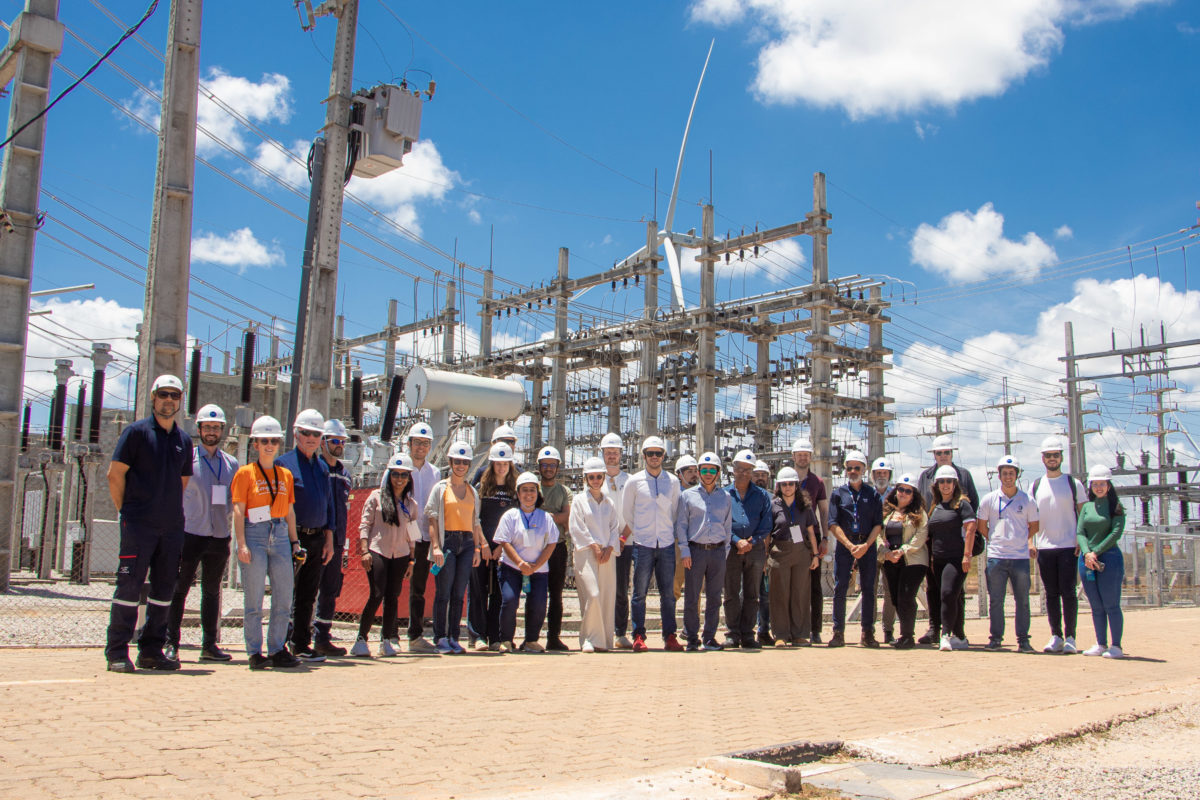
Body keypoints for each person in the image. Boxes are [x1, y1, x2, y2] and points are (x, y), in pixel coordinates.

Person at [104, 375, 194, 673]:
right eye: (164, 394)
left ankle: (152, 651)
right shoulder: (136, 433)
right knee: (129, 587)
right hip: (139, 525)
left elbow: (181, 483)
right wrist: (128, 513)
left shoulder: (183, 441)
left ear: (180, 400)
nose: (169, 400)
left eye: (175, 395)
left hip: (170, 528)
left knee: (164, 590)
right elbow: (115, 475)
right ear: (153, 397)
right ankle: (117, 651)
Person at [167, 402, 237, 663]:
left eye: (216, 427)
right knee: (180, 588)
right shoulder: (188, 460)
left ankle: (209, 645)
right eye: (207, 427)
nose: (211, 431)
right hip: (190, 533)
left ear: (222, 430)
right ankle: (170, 642)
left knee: (211, 591)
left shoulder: (231, 464)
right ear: (199, 428)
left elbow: (236, 499)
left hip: (219, 535)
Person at [231, 416, 300, 670]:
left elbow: (290, 511)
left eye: (273, 440)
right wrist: (241, 543)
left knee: (283, 597)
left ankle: (277, 648)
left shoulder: (285, 475)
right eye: (264, 441)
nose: (269, 445)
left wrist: (295, 543)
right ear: (255, 444)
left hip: (280, 533)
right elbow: (239, 510)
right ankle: (254, 651)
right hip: (254, 533)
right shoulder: (244, 473)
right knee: (254, 598)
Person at [278, 408, 335, 662]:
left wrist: (329, 539)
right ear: (296, 434)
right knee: (285, 592)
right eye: (306, 433)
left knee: (308, 594)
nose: (311, 438)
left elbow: (329, 504)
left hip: (317, 538)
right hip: (294, 538)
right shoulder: (284, 464)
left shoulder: (322, 467)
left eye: (316, 434)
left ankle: (301, 643)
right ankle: (279, 643)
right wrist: (289, 540)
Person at [350, 454, 416, 657]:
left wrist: (412, 559)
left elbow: (412, 533)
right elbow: (365, 525)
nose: (399, 479)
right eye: (395, 474)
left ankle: (386, 640)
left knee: (393, 597)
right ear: (389, 475)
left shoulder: (410, 504)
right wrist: (364, 550)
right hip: (378, 551)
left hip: (401, 554)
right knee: (377, 593)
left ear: (408, 478)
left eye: (404, 475)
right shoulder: (375, 497)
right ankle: (361, 639)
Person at [622, 435, 684, 652]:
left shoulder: (673, 482)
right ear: (644, 456)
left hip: (666, 543)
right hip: (643, 544)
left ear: (664, 456)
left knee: (668, 593)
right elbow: (627, 513)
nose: (655, 457)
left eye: (658, 453)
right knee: (639, 593)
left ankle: (670, 636)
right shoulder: (634, 481)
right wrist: (640, 532)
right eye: (651, 454)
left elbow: (675, 511)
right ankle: (639, 635)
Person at [916, 435, 979, 645]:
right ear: (934, 455)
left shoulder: (964, 475)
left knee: (953, 591)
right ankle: (935, 628)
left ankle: (955, 632)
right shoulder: (925, 476)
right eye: (939, 453)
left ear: (952, 453)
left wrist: (966, 549)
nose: (943, 456)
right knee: (933, 588)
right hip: (933, 543)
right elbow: (922, 507)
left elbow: (973, 510)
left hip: (956, 546)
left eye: (947, 452)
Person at [425, 440, 486, 654]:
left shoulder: (472, 491)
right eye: (457, 461)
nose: (461, 465)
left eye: (465, 462)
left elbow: (475, 522)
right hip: (447, 542)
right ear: (450, 462)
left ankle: (453, 636)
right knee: (444, 592)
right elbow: (432, 519)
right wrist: (435, 547)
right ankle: (440, 637)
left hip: (467, 543)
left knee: (459, 593)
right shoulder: (440, 488)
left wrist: (477, 549)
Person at [977, 455, 1040, 653]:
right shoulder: (989, 499)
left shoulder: (1027, 500)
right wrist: (995, 540)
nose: (1008, 477)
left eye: (1011, 473)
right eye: (1004, 473)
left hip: (1020, 558)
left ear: (1017, 475)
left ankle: (1023, 640)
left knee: (1022, 600)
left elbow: (1034, 525)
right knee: (996, 600)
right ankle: (996, 638)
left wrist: (1021, 540)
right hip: (996, 557)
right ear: (999, 475)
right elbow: (981, 525)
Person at [1030, 436, 1086, 654]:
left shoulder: (1074, 484)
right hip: (1045, 547)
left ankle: (1071, 637)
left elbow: (1083, 513)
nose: (1052, 459)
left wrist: (1081, 541)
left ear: (1061, 457)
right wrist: (1031, 542)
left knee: (1068, 593)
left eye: (1056, 455)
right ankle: (1056, 636)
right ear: (1042, 458)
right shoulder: (1036, 485)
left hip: (1068, 547)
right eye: (1048, 455)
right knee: (1051, 593)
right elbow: (1031, 518)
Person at [494, 472, 560, 652]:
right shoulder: (510, 516)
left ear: (538, 493)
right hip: (512, 567)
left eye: (532, 490)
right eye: (524, 490)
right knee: (509, 600)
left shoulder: (545, 518)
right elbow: (504, 541)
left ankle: (531, 640)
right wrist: (520, 563)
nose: (528, 494)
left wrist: (535, 566)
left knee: (538, 603)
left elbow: (552, 543)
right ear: (517, 493)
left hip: (538, 570)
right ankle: (506, 639)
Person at [826, 450, 884, 648]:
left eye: (856, 468)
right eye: (849, 467)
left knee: (869, 589)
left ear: (864, 470)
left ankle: (868, 633)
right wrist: (850, 546)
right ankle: (838, 632)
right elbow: (832, 523)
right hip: (846, 545)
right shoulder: (838, 494)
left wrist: (866, 545)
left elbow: (878, 523)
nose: (852, 471)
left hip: (867, 544)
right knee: (840, 587)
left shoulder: (873, 494)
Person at [675, 452, 732, 651]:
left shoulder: (725, 497)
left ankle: (709, 637)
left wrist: (724, 552)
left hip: (717, 551)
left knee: (715, 597)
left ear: (718, 473)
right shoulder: (687, 496)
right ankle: (691, 638)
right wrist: (685, 551)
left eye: (712, 470)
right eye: (704, 470)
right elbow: (681, 525)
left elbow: (727, 527)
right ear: (699, 472)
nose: (708, 474)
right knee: (692, 596)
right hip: (695, 551)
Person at [569, 457, 621, 652]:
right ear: (586, 479)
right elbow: (576, 527)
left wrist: (609, 548)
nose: (596, 480)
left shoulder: (609, 502)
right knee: (593, 594)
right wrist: (594, 546)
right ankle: (589, 638)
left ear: (604, 477)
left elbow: (615, 527)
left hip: (607, 554)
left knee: (607, 596)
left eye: (599, 476)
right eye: (592, 477)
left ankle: (605, 640)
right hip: (586, 554)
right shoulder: (579, 501)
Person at [723, 449, 773, 649]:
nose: (744, 473)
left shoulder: (761, 496)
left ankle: (748, 634)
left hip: (755, 549)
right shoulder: (725, 494)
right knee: (731, 592)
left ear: (752, 471)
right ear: (733, 470)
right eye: (740, 469)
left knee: (752, 594)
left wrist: (752, 542)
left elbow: (767, 522)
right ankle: (732, 633)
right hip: (732, 549)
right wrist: (737, 541)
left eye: (748, 469)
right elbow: (721, 523)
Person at [469, 442, 516, 651]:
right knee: (478, 590)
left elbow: (515, 521)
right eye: (498, 463)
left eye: (505, 463)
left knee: (498, 592)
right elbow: (474, 517)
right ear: (492, 464)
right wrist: (483, 545)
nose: (501, 467)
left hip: (502, 549)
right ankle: (477, 636)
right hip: (482, 546)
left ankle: (495, 637)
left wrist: (501, 548)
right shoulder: (481, 487)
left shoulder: (514, 489)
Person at [926, 464, 978, 652]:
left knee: (947, 594)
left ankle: (945, 635)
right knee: (952, 598)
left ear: (955, 484)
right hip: (938, 560)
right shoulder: (936, 506)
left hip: (956, 559)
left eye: (949, 481)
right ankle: (960, 636)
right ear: (937, 484)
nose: (945, 485)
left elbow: (971, 528)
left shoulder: (962, 504)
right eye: (942, 482)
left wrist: (967, 555)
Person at [767, 466, 820, 647]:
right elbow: (768, 534)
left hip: (801, 554)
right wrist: (766, 557)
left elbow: (811, 532)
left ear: (796, 485)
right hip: (779, 554)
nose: (787, 487)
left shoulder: (805, 506)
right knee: (779, 594)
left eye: (791, 484)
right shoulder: (773, 506)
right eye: (784, 484)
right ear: (779, 486)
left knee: (800, 593)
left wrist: (815, 555)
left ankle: (800, 634)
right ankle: (780, 635)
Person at [1077, 465, 1126, 659]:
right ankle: (1100, 643)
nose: (1098, 487)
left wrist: (1095, 551)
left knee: (1111, 604)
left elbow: (1116, 533)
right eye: (1095, 484)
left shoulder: (1116, 507)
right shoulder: (1087, 507)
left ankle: (1116, 646)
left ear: (1109, 485)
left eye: (1102, 484)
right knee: (1096, 605)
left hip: (1109, 559)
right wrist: (1087, 553)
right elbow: (1080, 532)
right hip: (1087, 560)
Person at [313, 418, 352, 657]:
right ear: (323, 442)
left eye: (341, 441)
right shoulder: (317, 468)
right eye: (334, 440)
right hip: (316, 538)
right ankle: (298, 635)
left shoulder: (344, 474)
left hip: (337, 539)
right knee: (307, 588)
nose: (339, 445)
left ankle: (322, 636)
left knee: (330, 589)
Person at [879, 474, 929, 650]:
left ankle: (908, 635)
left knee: (906, 596)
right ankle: (905, 634)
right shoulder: (887, 512)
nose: (903, 493)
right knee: (895, 597)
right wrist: (885, 553)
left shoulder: (919, 513)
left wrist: (903, 550)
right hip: (890, 561)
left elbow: (921, 535)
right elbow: (878, 534)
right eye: (901, 489)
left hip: (912, 560)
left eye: (908, 491)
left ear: (913, 494)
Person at [404, 421, 441, 654]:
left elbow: (434, 508)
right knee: (391, 586)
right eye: (417, 442)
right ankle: (387, 635)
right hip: (401, 536)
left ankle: (415, 635)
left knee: (418, 587)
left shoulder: (434, 472)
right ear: (409, 444)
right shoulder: (399, 467)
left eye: (425, 443)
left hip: (424, 537)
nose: (421, 447)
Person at [791, 437, 829, 643]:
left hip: (811, 540)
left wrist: (825, 538)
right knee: (792, 585)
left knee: (814, 586)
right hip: (789, 539)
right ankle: (793, 628)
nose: (803, 458)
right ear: (793, 456)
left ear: (810, 458)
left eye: (806, 455)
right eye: (800, 455)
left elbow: (823, 511)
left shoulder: (817, 483)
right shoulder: (785, 478)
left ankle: (815, 630)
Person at [536, 445, 573, 651]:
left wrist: (545, 517)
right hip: (534, 548)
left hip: (558, 547)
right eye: (545, 465)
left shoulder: (564, 491)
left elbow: (566, 516)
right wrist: (554, 517)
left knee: (556, 594)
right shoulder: (533, 487)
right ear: (539, 466)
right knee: (536, 594)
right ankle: (532, 636)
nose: (548, 468)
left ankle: (553, 637)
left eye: (552, 465)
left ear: (558, 467)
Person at [599, 431, 634, 649]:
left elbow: (634, 513)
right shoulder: (594, 478)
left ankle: (620, 632)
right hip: (602, 544)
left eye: (615, 452)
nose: (612, 455)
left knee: (621, 589)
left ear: (621, 454)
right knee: (602, 589)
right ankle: (602, 631)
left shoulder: (629, 481)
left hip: (624, 542)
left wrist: (621, 538)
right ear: (602, 454)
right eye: (608, 452)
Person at [870, 456, 898, 644]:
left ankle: (888, 629)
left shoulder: (897, 495)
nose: (881, 475)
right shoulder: (867, 494)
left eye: (884, 473)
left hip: (890, 550)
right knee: (869, 590)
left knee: (890, 591)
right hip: (871, 548)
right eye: (878, 473)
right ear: (873, 475)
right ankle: (869, 628)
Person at [672, 453, 699, 604]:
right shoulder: (674, 494)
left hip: (696, 543)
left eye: (695, 471)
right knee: (674, 584)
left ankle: (693, 623)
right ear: (680, 475)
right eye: (689, 471)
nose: (694, 475)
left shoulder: (702, 493)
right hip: (677, 544)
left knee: (695, 588)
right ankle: (669, 623)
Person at [753, 458, 774, 646]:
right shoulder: (747, 496)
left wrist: (767, 555)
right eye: (757, 475)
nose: (760, 478)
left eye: (763, 475)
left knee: (765, 595)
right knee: (747, 593)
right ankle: (746, 630)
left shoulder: (773, 498)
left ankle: (764, 630)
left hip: (766, 553)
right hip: (749, 551)